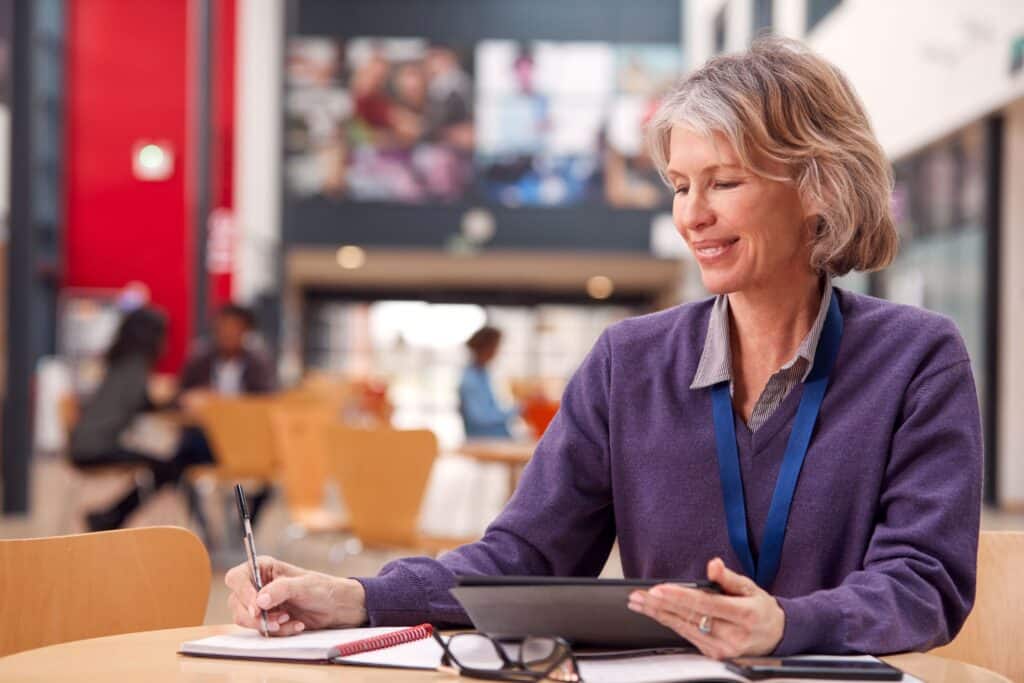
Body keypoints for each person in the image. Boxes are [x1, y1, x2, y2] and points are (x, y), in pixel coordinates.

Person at [225, 37, 981, 659]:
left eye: (723, 181)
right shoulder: (628, 361)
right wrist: (357, 594)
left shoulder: (917, 358)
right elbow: (523, 557)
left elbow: (923, 580)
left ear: (815, 185)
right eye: (681, 185)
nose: (694, 215)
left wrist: (786, 625)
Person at [69, 307, 179, 531]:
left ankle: (109, 516)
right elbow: (141, 403)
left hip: (82, 444)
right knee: (167, 468)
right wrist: (174, 401)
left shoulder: (120, 361)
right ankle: (111, 516)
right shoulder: (136, 365)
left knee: (162, 465)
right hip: (96, 448)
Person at [458, 326, 520, 439]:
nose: (498, 351)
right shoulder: (470, 380)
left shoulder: (483, 374)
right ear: (486, 348)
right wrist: (515, 411)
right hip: (483, 439)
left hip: (497, 437)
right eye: (496, 346)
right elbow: (480, 418)